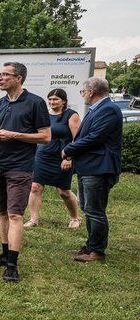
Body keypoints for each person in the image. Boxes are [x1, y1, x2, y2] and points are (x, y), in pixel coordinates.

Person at [0, 61, 51, 282]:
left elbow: (45, 136)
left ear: (19, 78)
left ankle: (12, 264)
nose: (0, 78)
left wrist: (14, 135)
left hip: (19, 167)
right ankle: (3, 254)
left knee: (15, 215)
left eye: (5, 75)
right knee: (1, 212)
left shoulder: (35, 103)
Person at [62, 77, 123, 262]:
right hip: (88, 166)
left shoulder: (109, 110)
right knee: (88, 207)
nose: (83, 95)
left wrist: (69, 149)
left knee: (95, 210)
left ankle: (97, 251)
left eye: (83, 92)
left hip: (99, 168)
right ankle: (90, 246)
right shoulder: (97, 109)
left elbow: (95, 137)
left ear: (91, 92)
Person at [24, 88, 81, 229]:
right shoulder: (44, 115)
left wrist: (68, 158)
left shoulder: (71, 115)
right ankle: (33, 219)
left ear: (64, 101)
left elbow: (78, 139)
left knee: (63, 191)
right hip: (42, 156)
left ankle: (75, 218)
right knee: (35, 187)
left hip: (62, 157)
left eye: (55, 99)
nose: (52, 102)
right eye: (50, 99)